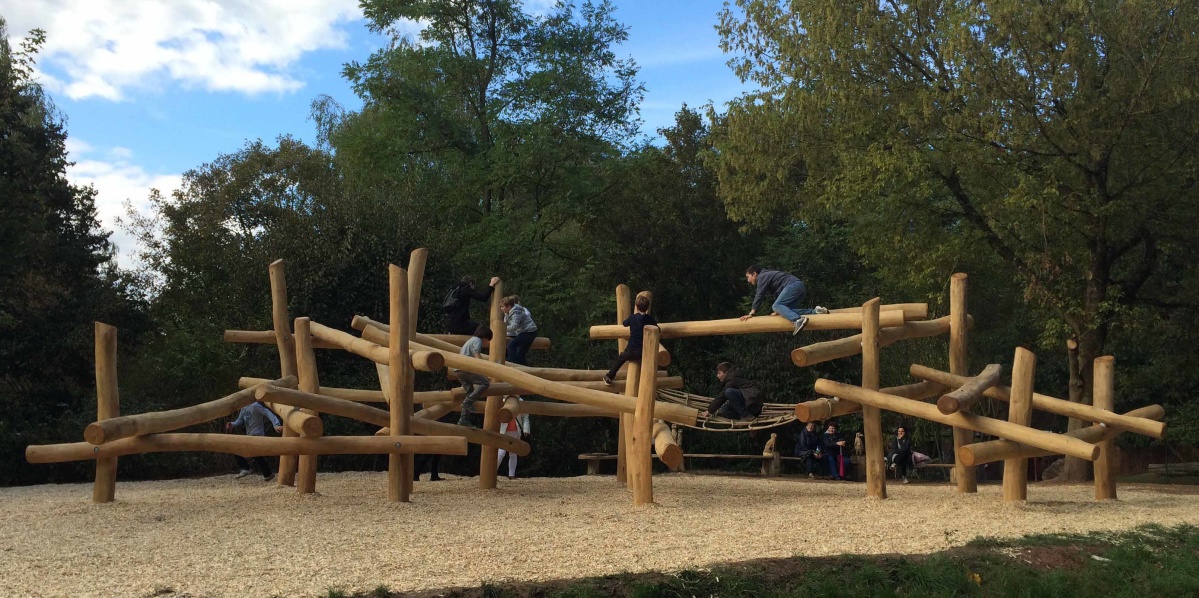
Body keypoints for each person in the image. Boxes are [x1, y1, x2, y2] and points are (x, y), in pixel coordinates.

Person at [739, 265, 829, 335]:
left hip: (792, 286)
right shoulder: (768, 276)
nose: (748, 280)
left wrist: (751, 313)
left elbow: (759, 295)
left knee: (775, 306)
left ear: (754, 274)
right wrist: (779, 311)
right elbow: (778, 295)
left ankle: (798, 320)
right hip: (799, 286)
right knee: (788, 311)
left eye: (748, 277)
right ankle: (816, 311)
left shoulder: (762, 277)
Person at [603, 294, 658, 385]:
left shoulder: (633, 317)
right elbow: (657, 329)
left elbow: (624, 323)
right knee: (645, 366)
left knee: (620, 359)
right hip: (643, 352)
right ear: (647, 308)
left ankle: (609, 377)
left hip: (631, 350)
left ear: (636, 306)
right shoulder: (650, 319)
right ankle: (646, 383)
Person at [225, 401, 283, 481]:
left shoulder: (255, 406)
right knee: (256, 455)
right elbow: (239, 421)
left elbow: (268, 413)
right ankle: (268, 474)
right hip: (250, 436)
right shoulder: (243, 408)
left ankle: (246, 468)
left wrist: (276, 425)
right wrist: (232, 424)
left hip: (257, 435)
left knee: (236, 447)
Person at [454, 325, 493, 427]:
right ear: (484, 337)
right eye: (488, 340)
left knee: (470, 393)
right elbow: (477, 356)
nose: (487, 343)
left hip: (458, 370)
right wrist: (485, 373)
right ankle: (468, 402)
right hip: (465, 369)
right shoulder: (477, 340)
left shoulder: (470, 340)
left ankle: (463, 419)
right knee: (485, 383)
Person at [496, 397, 531, 480]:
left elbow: (525, 417)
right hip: (503, 430)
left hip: (516, 430)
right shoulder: (503, 401)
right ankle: (493, 471)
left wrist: (526, 429)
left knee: (513, 453)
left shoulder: (521, 401)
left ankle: (512, 474)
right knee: (501, 452)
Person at [501, 295, 538, 365]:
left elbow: (514, 326)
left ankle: (515, 365)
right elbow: (506, 324)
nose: (501, 308)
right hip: (524, 332)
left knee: (511, 346)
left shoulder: (516, 313)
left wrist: (502, 328)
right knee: (520, 354)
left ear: (508, 307)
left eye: (503, 307)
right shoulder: (508, 313)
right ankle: (524, 369)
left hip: (529, 332)